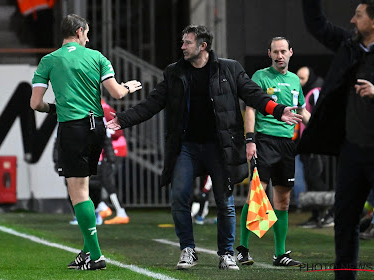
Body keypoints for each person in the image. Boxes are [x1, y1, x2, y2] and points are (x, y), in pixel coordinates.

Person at [106, 25, 302, 271]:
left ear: (203, 46)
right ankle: (187, 249)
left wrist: (278, 109)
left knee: (225, 201)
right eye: (183, 42)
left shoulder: (229, 69)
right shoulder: (174, 73)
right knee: (178, 196)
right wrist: (123, 120)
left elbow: (254, 95)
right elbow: (152, 103)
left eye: (187, 42)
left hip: (220, 147)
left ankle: (227, 253)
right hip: (186, 147)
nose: (182, 47)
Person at [30, 14, 142, 271]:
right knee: (86, 190)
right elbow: (116, 92)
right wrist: (128, 86)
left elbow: (35, 103)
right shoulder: (97, 57)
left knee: (78, 193)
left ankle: (97, 256)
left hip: (72, 128)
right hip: (97, 129)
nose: (88, 38)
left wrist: (53, 109)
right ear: (79, 32)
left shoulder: (49, 60)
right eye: (87, 34)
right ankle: (86, 250)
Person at [299, 1, 374, 279]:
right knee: (344, 222)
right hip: (351, 151)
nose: (352, 21)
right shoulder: (348, 44)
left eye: (358, 15)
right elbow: (317, 25)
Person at [237, 37, 310, 267]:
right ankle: (242, 249)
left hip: (287, 144)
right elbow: (250, 109)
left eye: (283, 51)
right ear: (269, 53)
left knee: (284, 200)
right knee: (256, 195)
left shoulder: (295, 80)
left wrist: (320, 130)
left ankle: (280, 254)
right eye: (275, 52)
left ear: (291, 52)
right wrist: (250, 140)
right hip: (264, 141)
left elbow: (302, 111)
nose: (279, 56)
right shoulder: (260, 76)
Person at [296, 66, 333, 228]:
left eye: (302, 78)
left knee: (317, 179)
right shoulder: (306, 93)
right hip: (307, 144)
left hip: (315, 145)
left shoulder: (316, 91)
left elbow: (320, 117)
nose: (299, 82)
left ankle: (329, 213)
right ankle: (316, 215)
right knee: (311, 180)